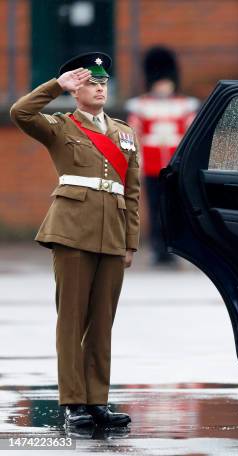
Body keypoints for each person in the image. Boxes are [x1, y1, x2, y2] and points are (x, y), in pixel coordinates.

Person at [9, 52, 139, 429]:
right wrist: (55, 85)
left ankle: (97, 400)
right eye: (90, 83)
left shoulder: (124, 133)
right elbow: (20, 112)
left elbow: (131, 192)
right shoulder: (60, 126)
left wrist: (130, 242)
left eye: (103, 83)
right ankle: (73, 403)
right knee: (72, 321)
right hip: (71, 231)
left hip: (112, 233)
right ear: (76, 90)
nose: (99, 88)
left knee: (102, 321)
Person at [125, 46, 199, 265]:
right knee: (156, 208)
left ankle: (174, 248)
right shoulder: (140, 106)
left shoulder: (185, 106)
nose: (163, 86)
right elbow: (133, 137)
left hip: (177, 168)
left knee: (176, 209)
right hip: (151, 167)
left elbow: (192, 136)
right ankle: (159, 248)